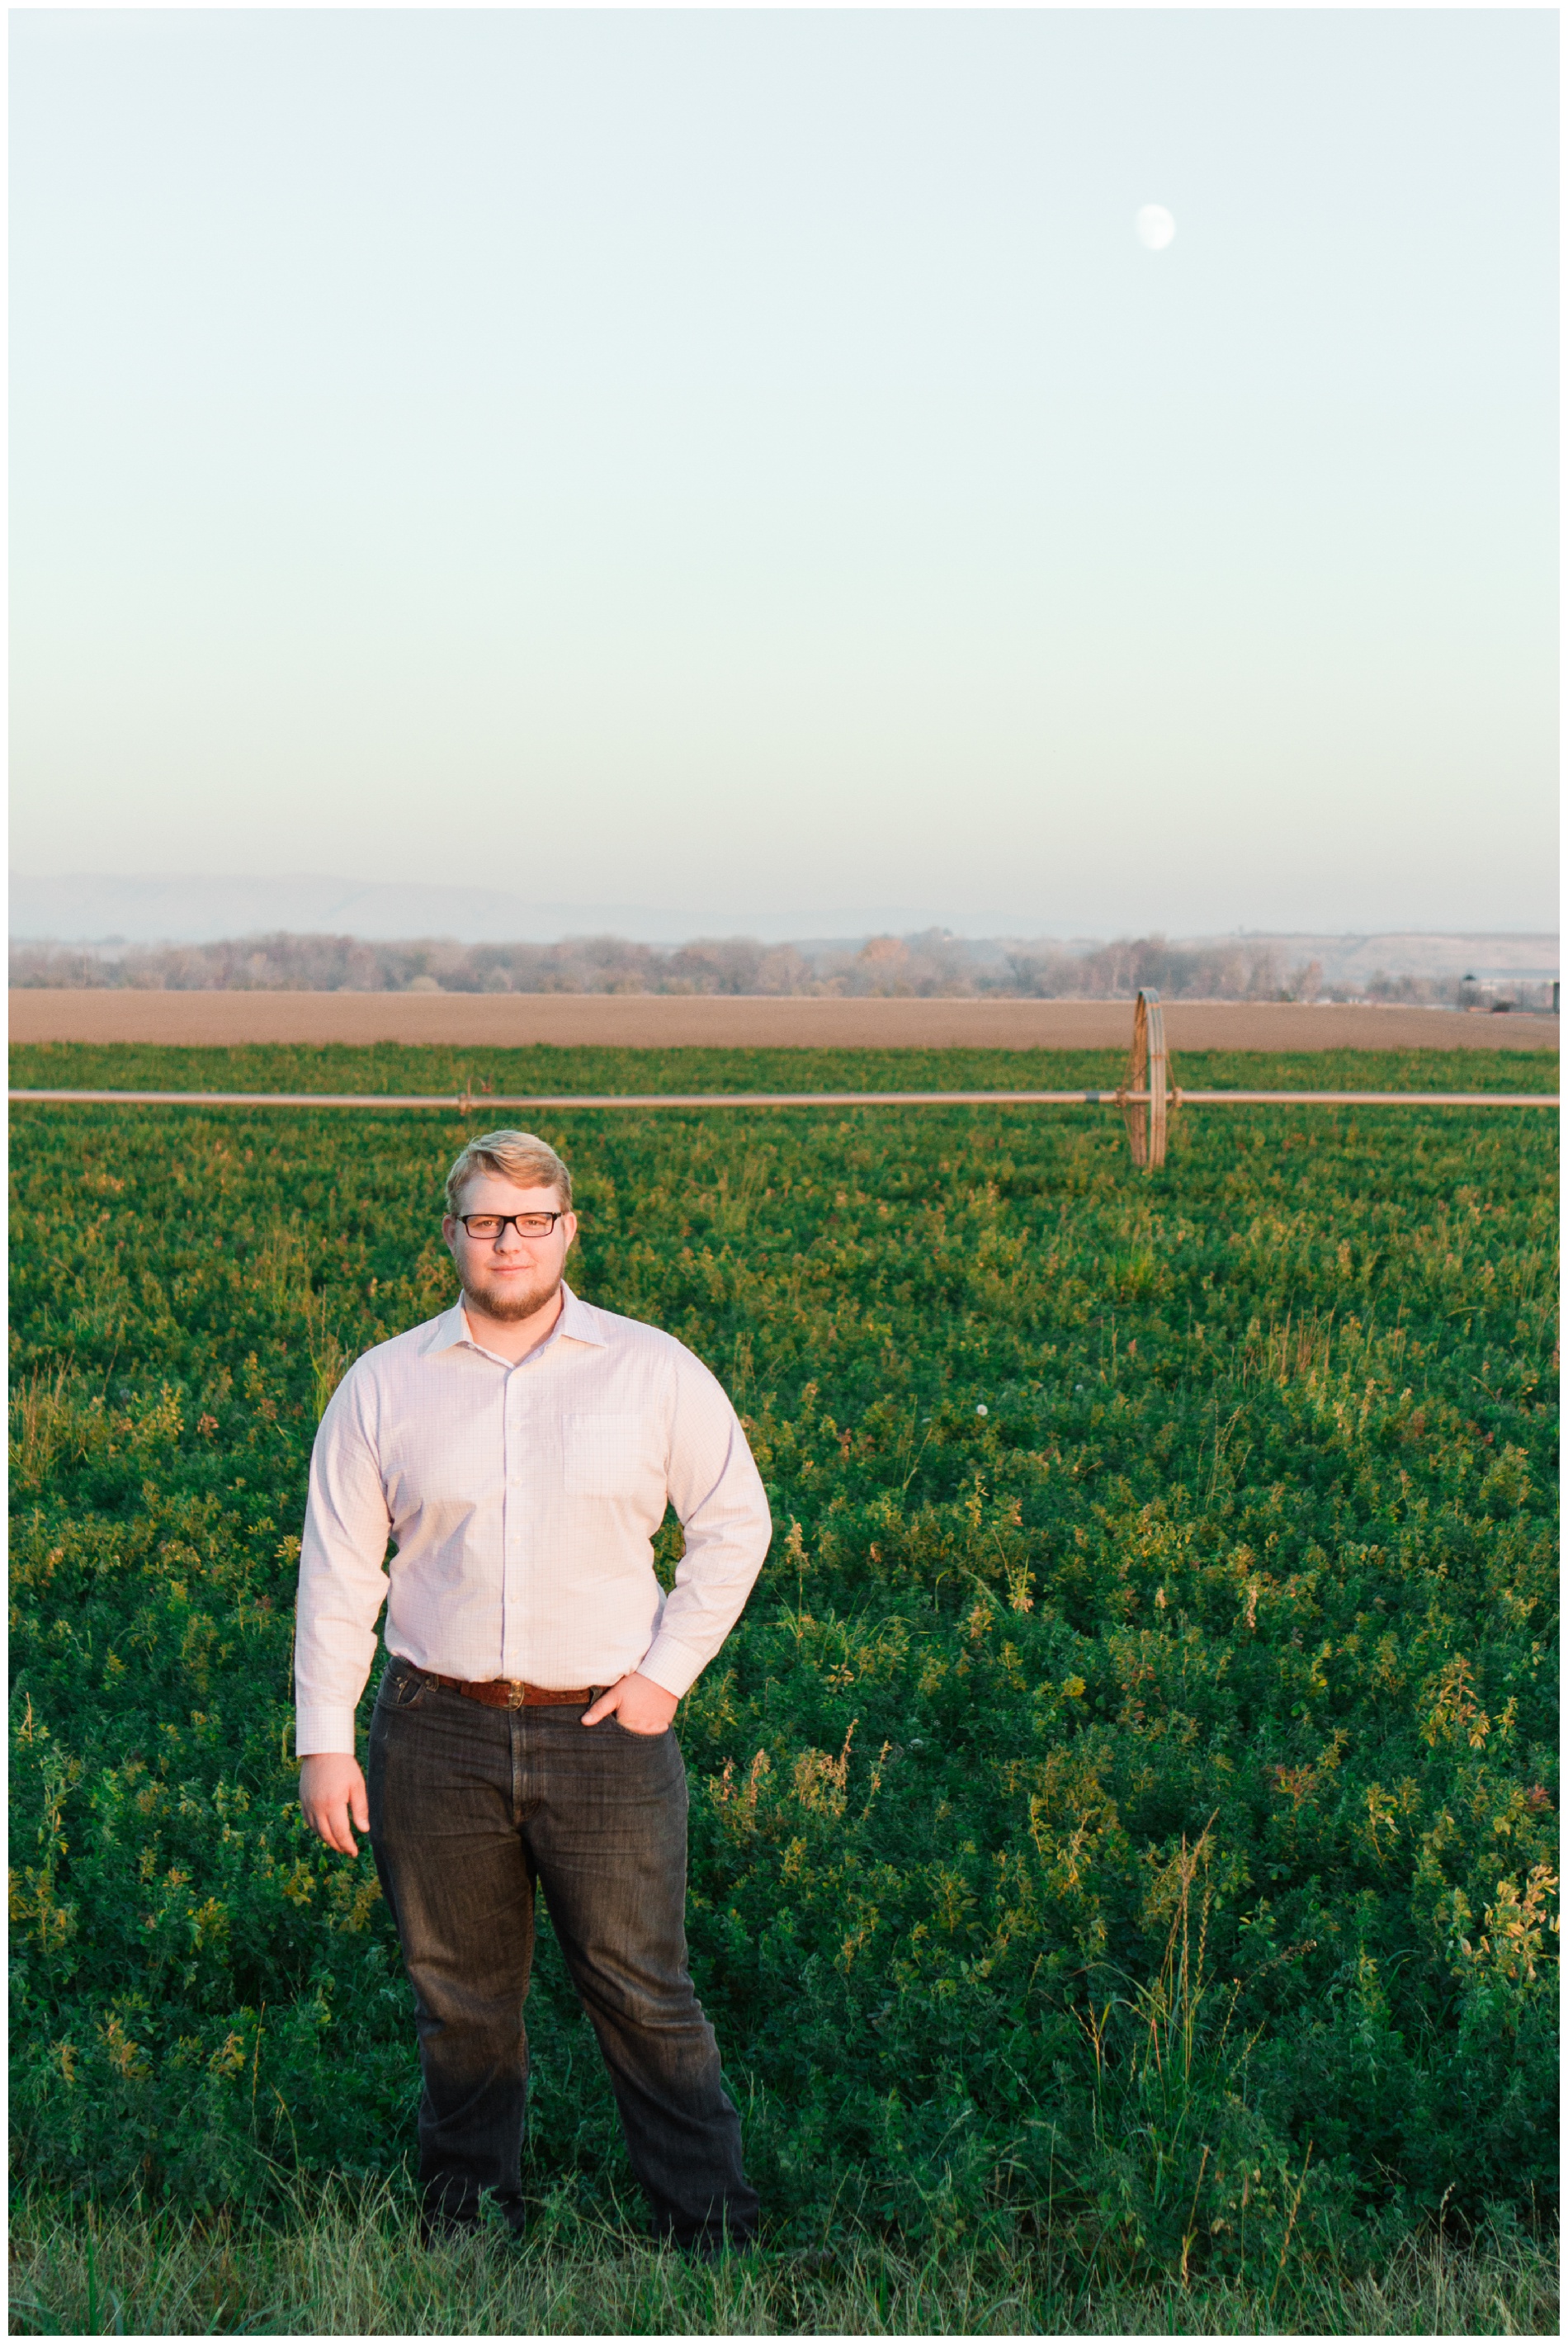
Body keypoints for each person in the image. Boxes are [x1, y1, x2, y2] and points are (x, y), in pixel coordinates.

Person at [294, 1127, 772, 2250]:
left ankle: (709, 2232)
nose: (507, 1242)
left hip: (605, 1732)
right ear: (449, 1233)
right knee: (459, 2000)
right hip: (434, 1730)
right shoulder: (385, 1384)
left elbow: (734, 1524)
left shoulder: (651, 1371)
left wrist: (664, 1678)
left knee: (643, 1991)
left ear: (568, 1232)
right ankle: (468, 2229)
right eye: (484, 1221)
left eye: (531, 1221)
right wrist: (326, 1740)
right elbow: (338, 1571)